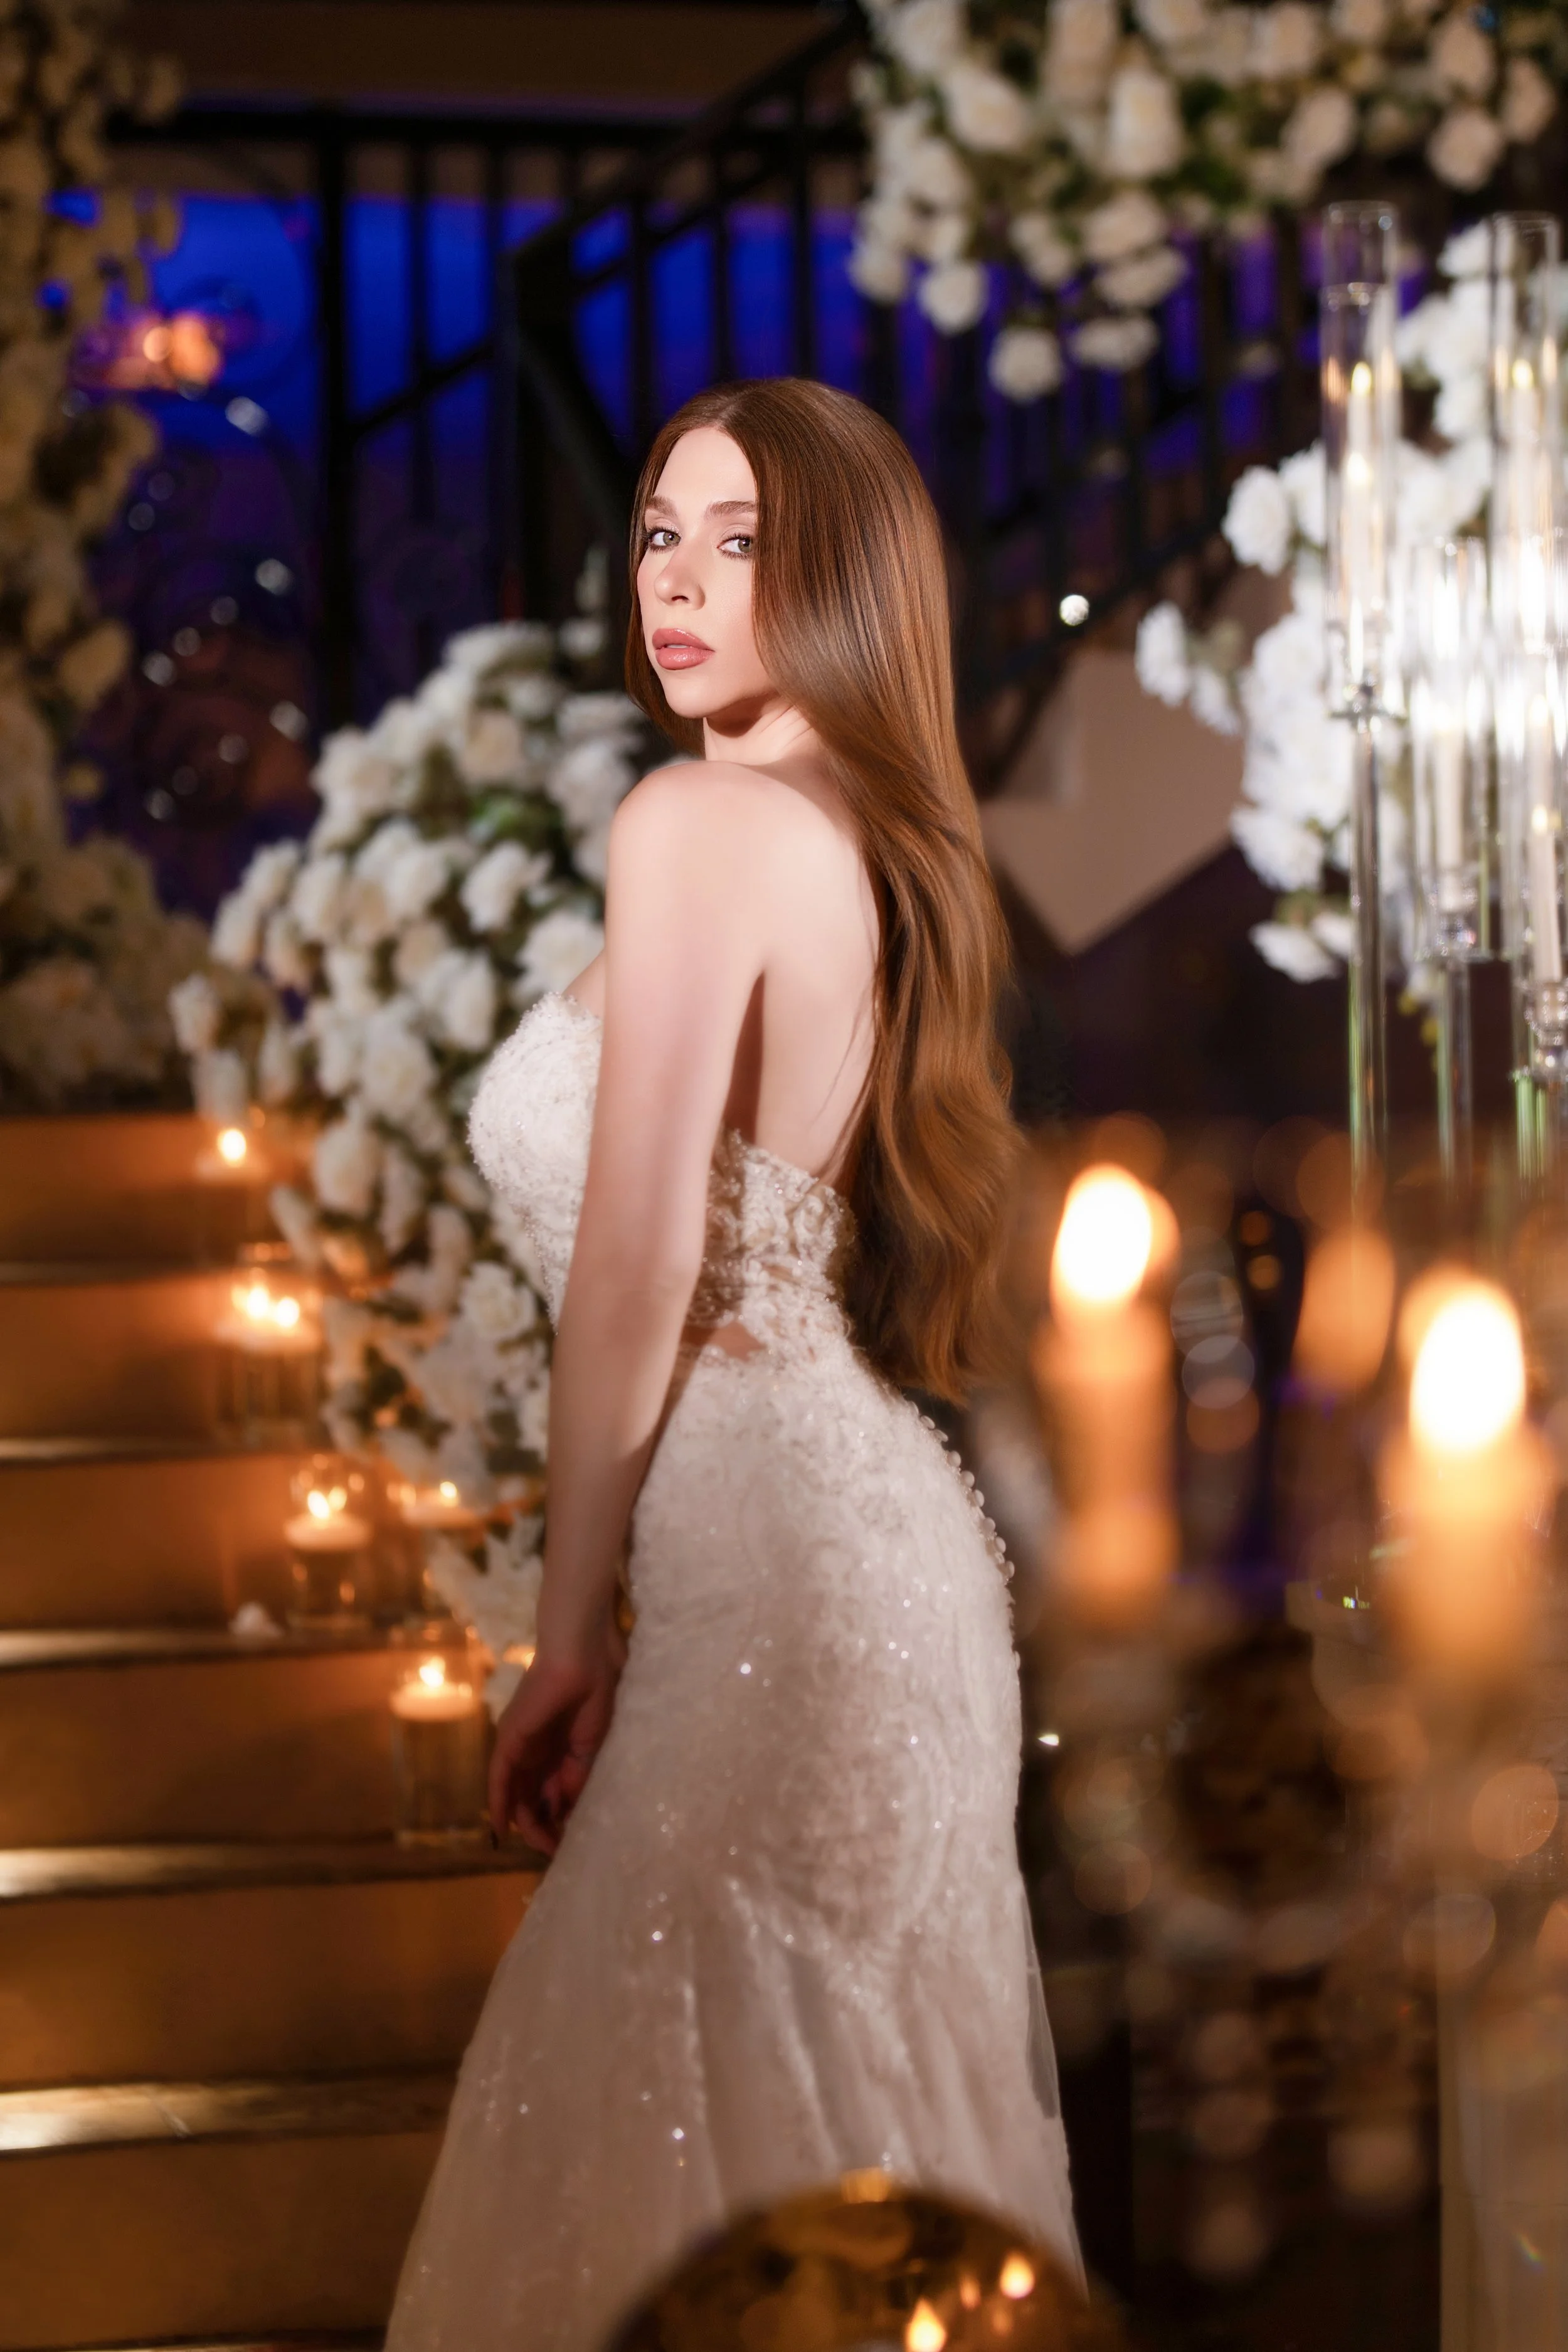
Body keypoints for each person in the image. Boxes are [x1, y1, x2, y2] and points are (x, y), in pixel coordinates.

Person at [383, 378, 1079, 2352]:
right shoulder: (848, 825)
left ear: (843, 578)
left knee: (690, 2110)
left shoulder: (697, 816)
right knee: (831, 2149)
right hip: (864, 1556)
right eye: (659, 533)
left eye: (739, 543)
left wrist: (563, 1619)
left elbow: (636, 1253)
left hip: (771, 1559)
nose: (673, 580)